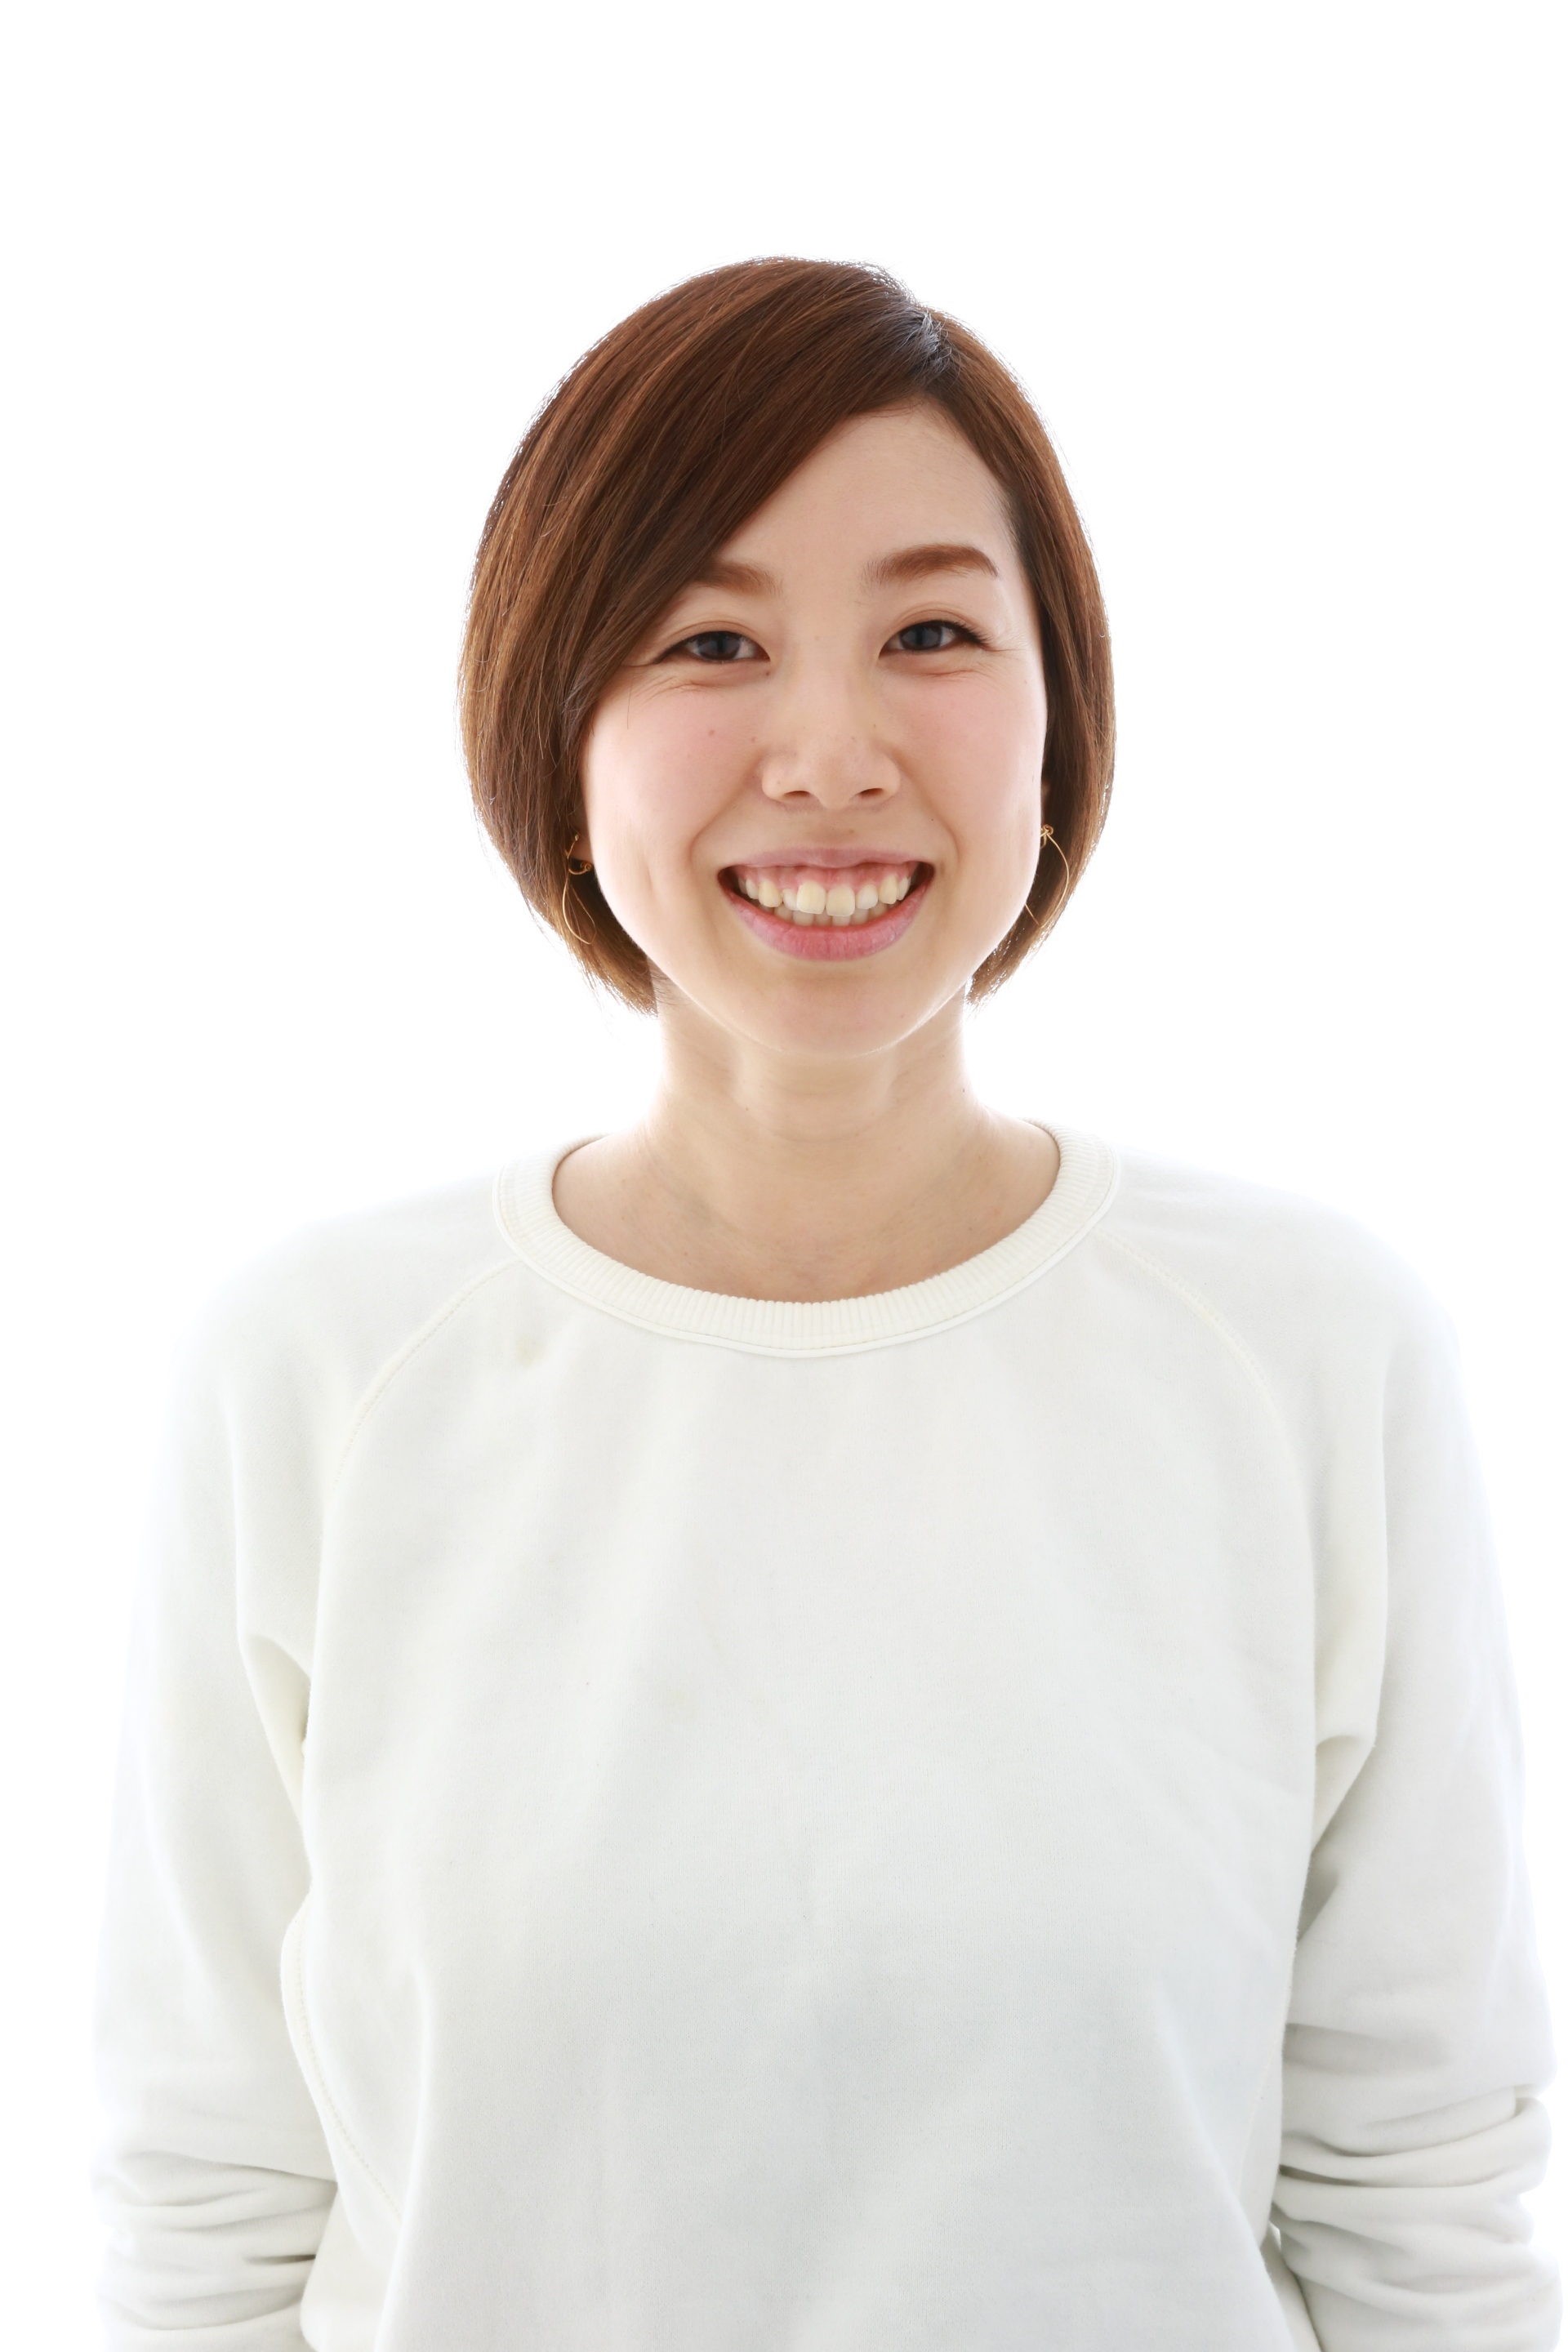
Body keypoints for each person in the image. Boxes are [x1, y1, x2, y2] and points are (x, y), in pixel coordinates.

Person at [92, 258, 1558, 2351]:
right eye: (713, 642)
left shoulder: (1309, 1354)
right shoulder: (318, 1374)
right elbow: (207, 2211)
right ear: (559, 735)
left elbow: (1422, 2202)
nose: (831, 752)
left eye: (932, 634)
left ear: (1059, 723)